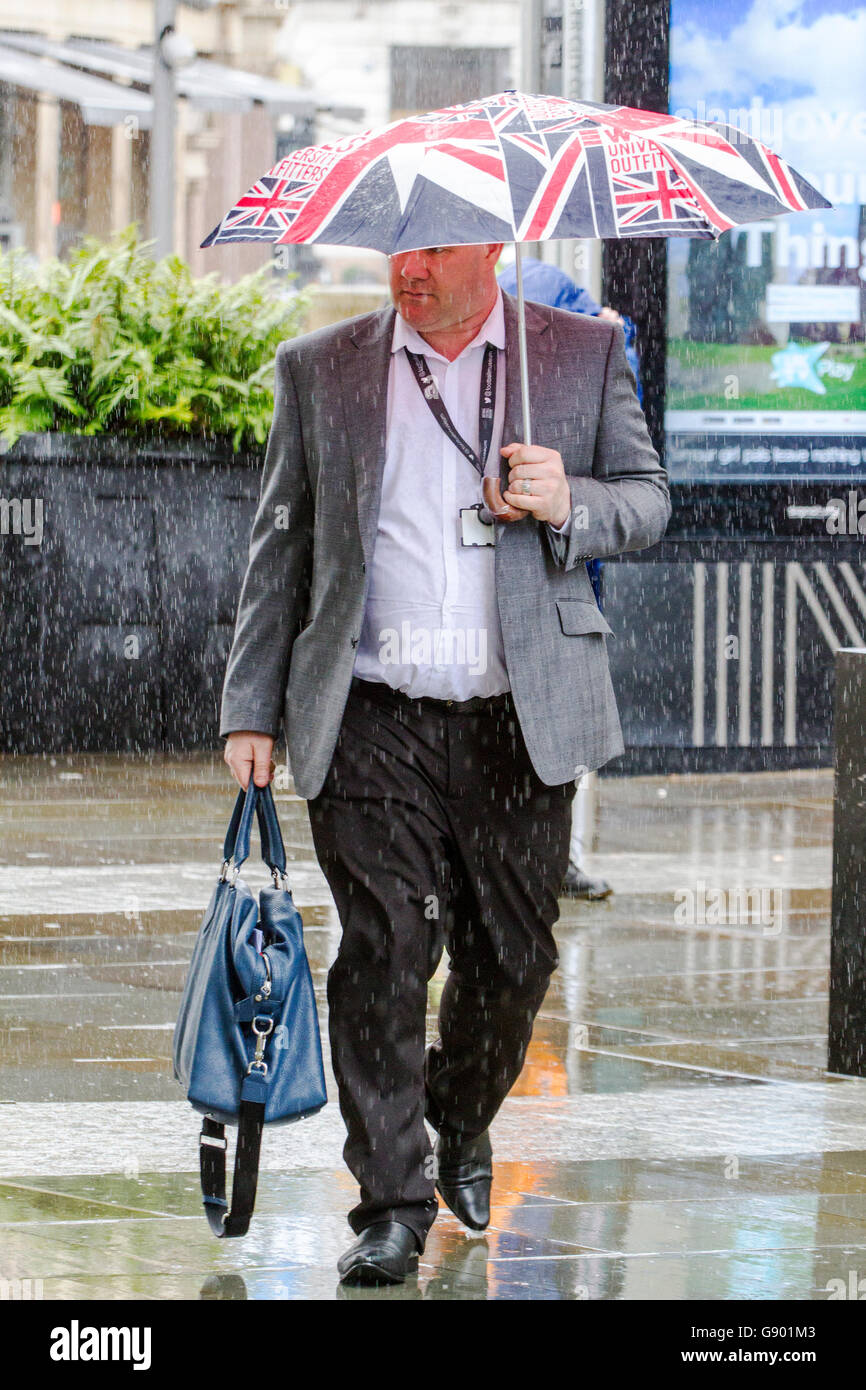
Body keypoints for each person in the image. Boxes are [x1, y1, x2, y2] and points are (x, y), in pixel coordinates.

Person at [220, 241, 670, 1285]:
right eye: (396, 250)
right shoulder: (321, 363)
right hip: (372, 712)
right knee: (380, 951)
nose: (408, 270)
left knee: (511, 958)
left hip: (517, 717)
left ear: (490, 250)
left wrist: (571, 500)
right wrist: (252, 707)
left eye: (432, 251)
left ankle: (458, 1116)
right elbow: (277, 540)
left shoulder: (579, 352)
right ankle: (389, 1199)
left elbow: (647, 500)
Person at [498, 255, 635, 901]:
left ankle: (542, 852)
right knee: (560, 701)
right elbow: (617, 340)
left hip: (565, 544)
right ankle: (552, 854)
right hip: (563, 563)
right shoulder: (550, 285)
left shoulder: (544, 286)